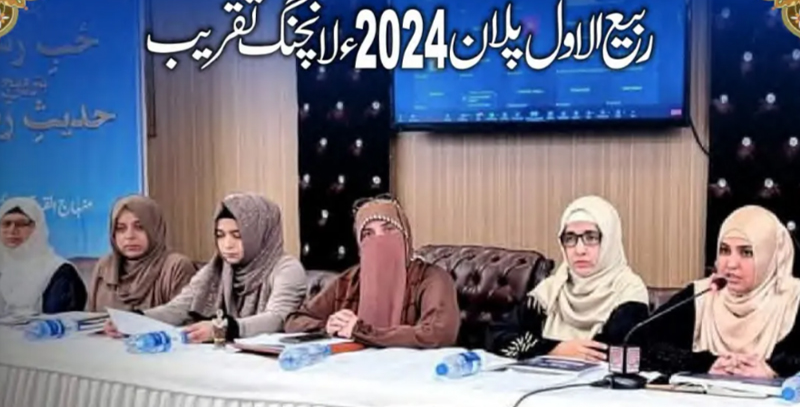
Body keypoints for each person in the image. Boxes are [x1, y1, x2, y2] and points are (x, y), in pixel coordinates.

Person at [106, 193, 307, 343]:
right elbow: (179, 308)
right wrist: (134, 320)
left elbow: (277, 319)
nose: (227, 245)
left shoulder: (287, 269)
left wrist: (223, 328)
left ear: (260, 234)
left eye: (237, 235)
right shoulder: (217, 268)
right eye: (220, 235)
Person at [642, 205, 800, 378]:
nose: (731, 264)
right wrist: (704, 364)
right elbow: (641, 343)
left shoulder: (794, 299)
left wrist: (775, 371)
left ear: (771, 256)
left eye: (746, 252)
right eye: (724, 250)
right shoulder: (703, 294)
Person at [486, 195, 650, 361]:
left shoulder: (628, 290)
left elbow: (617, 352)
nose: (579, 250)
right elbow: (496, 337)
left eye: (591, 238)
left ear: (610, 240)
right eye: (570, 239)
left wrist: (545, 349)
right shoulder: (551, 291)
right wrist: (553, 350)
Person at [284, 196, 460, 349]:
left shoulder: (431, 278)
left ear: (406, 237)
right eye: (368, 234)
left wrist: (361, 331)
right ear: (360, 246)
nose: (379, 240)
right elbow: (294, 321)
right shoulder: (349, 281)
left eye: (388, 229)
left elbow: (438, 333)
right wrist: (327, 326)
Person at [88, 195, 196, 312]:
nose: (129, 236)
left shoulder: (176, 267)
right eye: (121, 228)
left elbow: (184, 318)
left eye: (140, 227)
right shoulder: (104, 267)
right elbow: (89, 317)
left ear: (155, 229)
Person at [0, 197, 86, 315]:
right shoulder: (3, 268)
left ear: (37, 228)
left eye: (21, 224)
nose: (12, 230)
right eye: (6, 224)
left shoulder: (60, 272)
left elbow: (62, 321)